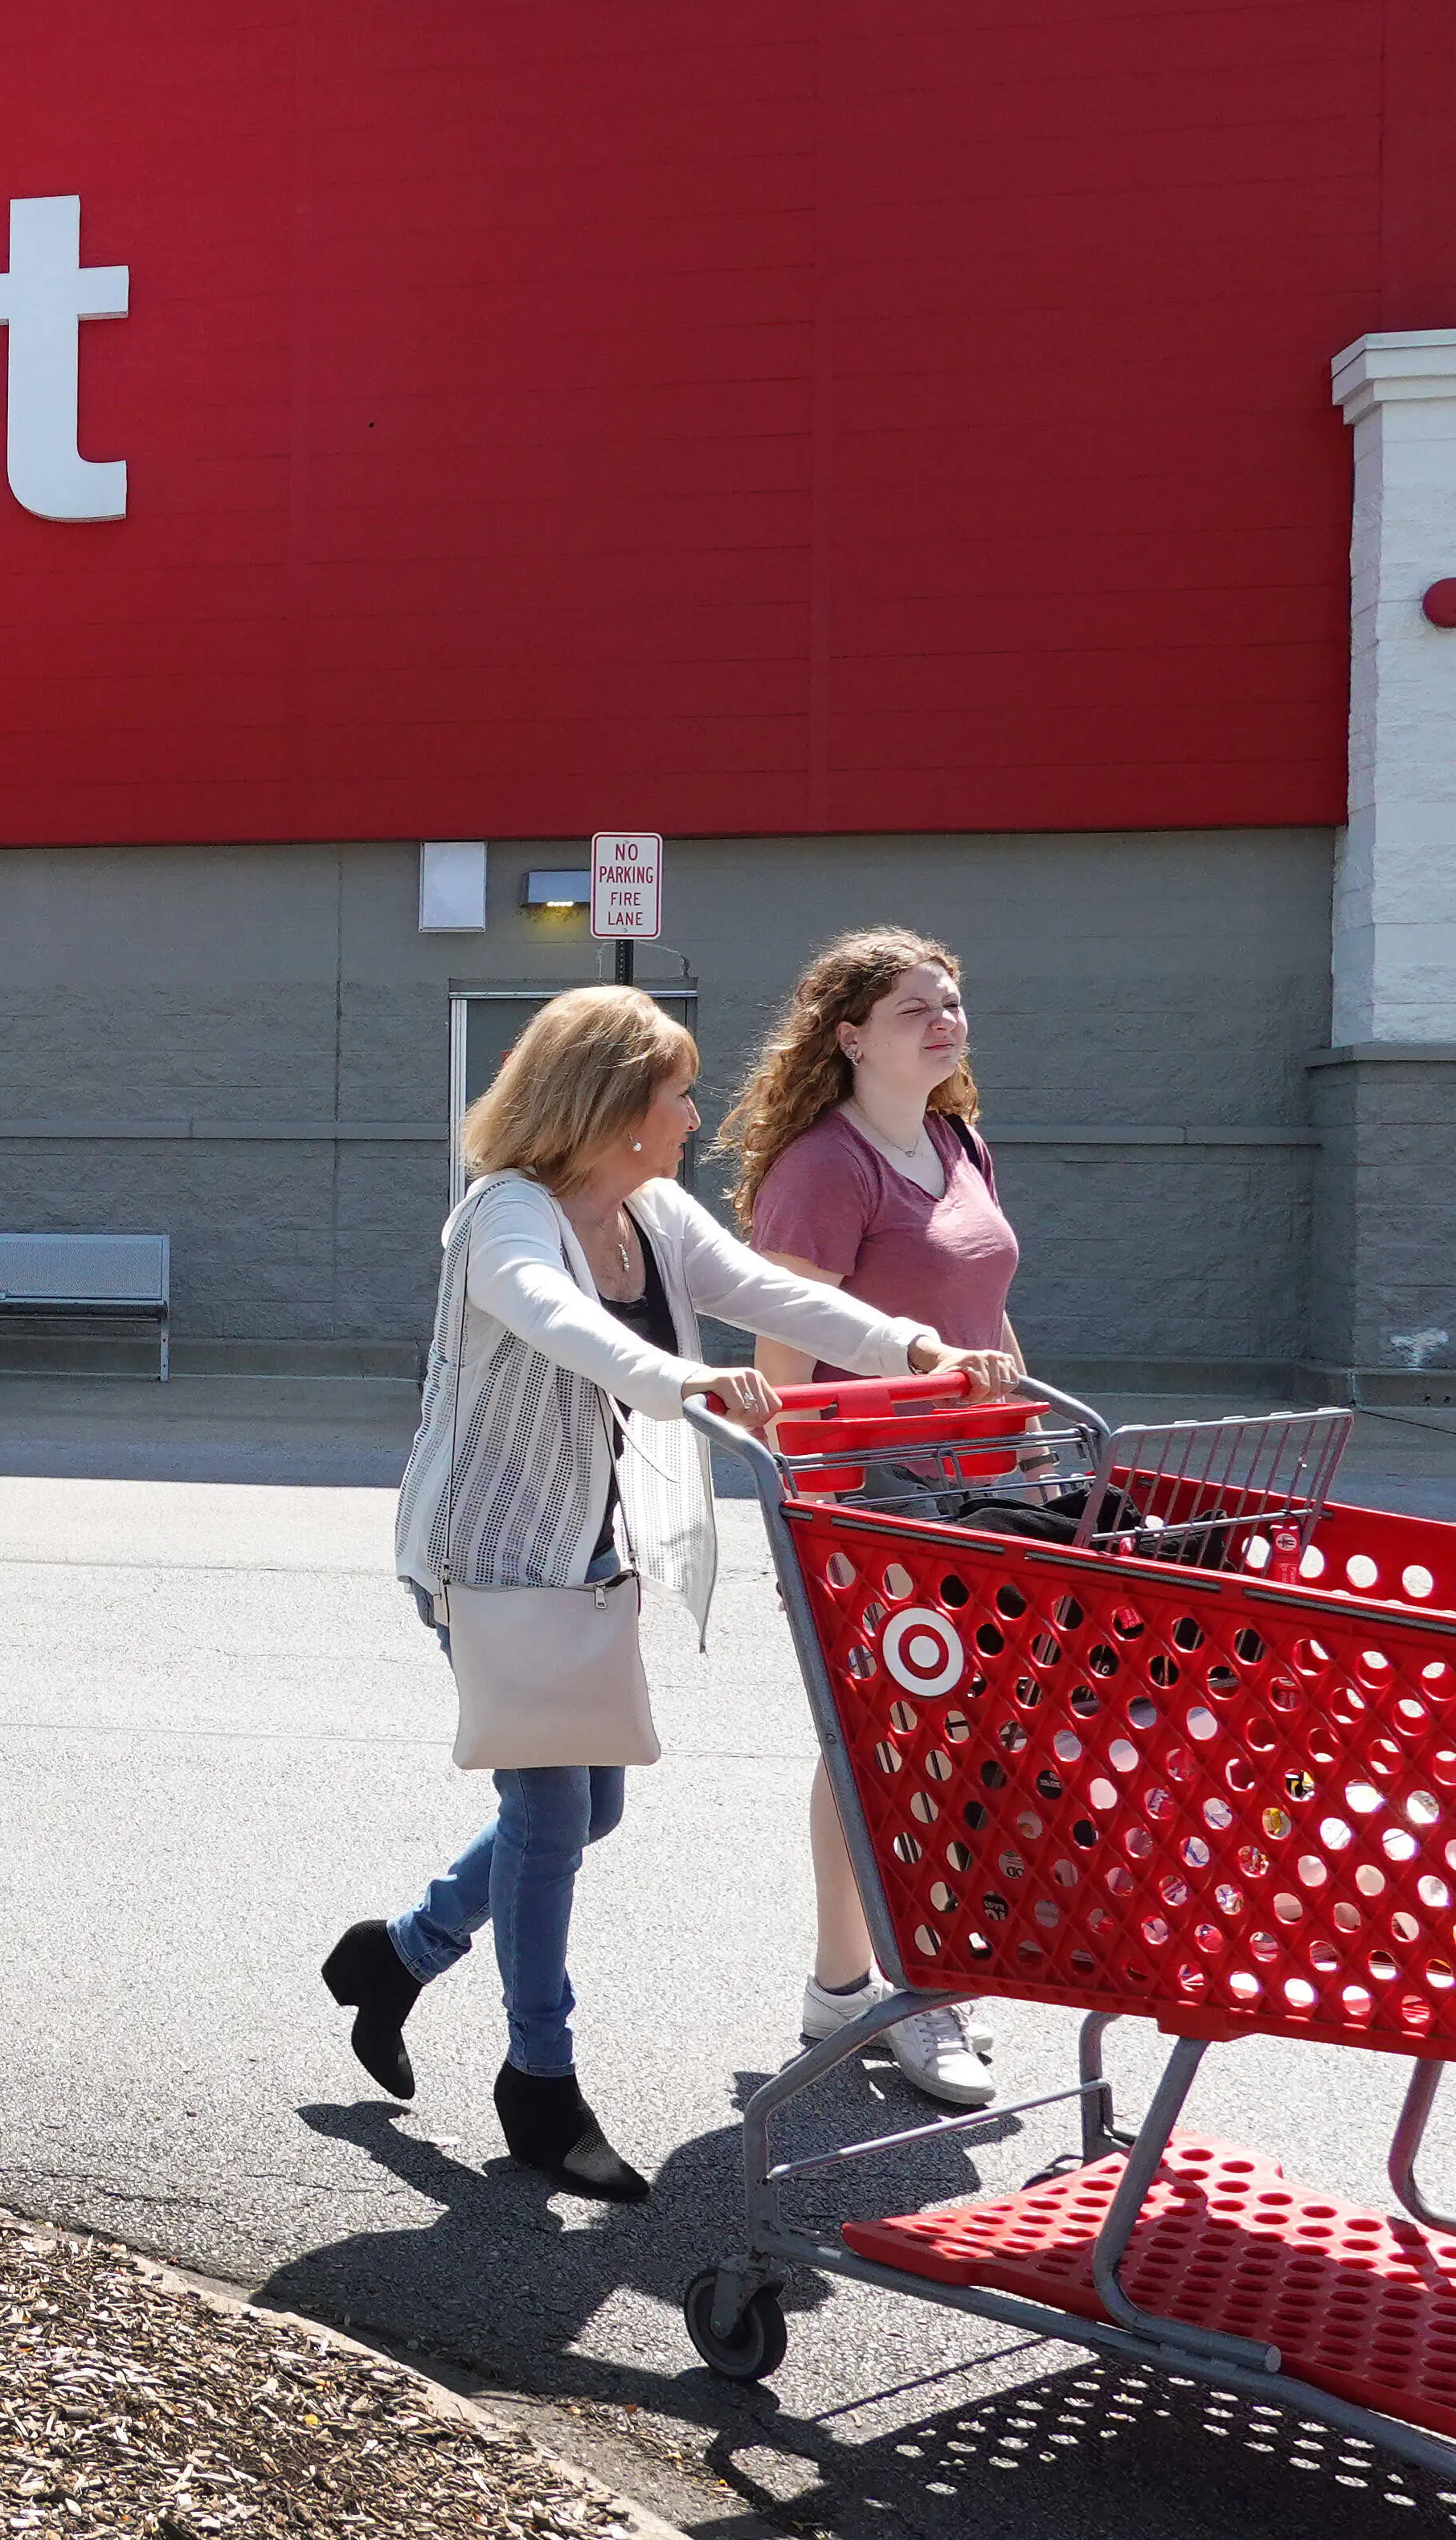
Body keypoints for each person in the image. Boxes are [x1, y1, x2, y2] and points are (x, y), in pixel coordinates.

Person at [321, 986, 1020, 2198]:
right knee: (551, 1819)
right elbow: (561, 1326)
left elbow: (769, 1290)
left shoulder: (647, 1209)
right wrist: (687, 1382)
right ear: (610, 1106)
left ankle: (400, 1954)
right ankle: (539, 2087)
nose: (694, 1117)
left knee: (590, 1813)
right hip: (489, 1556)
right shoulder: (504, 1218)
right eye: (675, 1094)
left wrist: (913, 1347)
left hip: (589, 1554)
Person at [715, 927, 1023, 2108]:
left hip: (987, 1488)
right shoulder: (823, 1168)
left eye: (951, 1003)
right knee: (889, 1738)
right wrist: (799, 1500)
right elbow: (780, 1358)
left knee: (954, 1744)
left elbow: (989, 1312)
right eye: (914, 1009)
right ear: (848, 1035)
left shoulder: (957, 1140)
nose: (943, 1022)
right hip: (874, 1498)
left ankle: (887, 1978)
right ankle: (880, 1988)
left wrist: (1035, 1446)